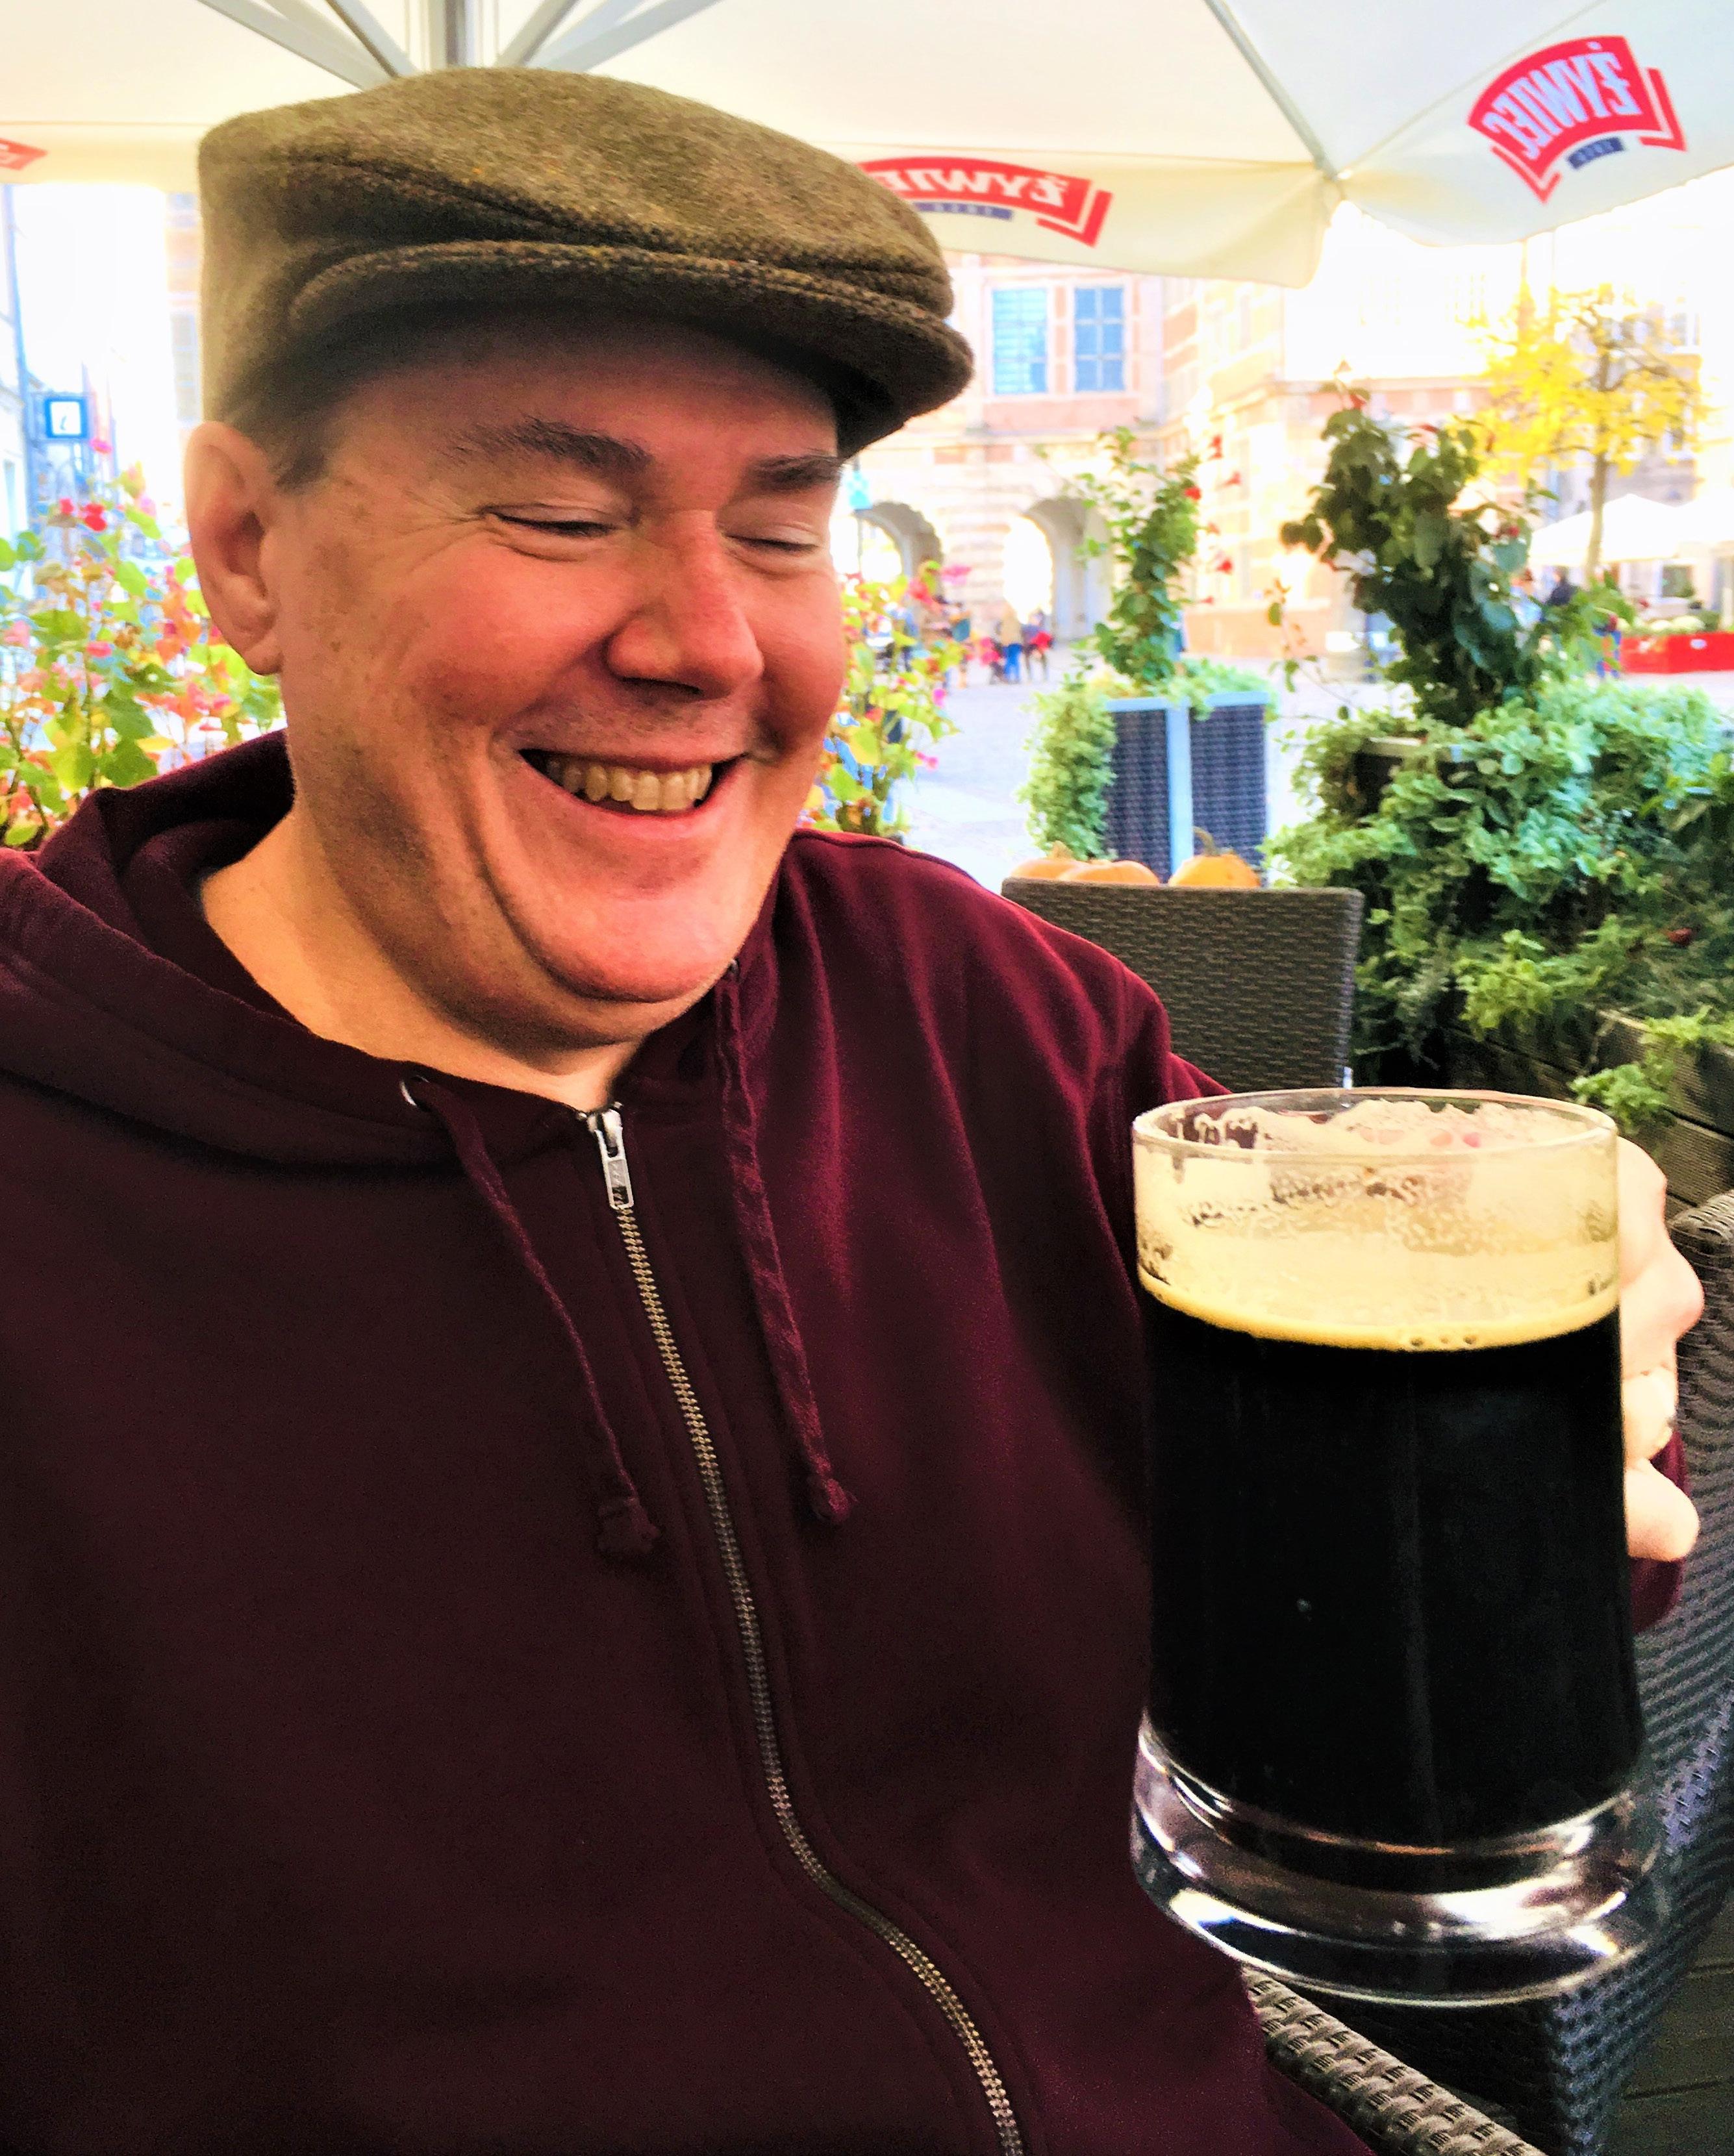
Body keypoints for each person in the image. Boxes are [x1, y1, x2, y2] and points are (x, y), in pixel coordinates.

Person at [0, 65, 1699, 2156]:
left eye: (782, 527)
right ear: (247, 546)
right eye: (558, 512)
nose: (707, 641)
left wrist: (1563, 1415)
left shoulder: (993, 1015)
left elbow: (1402, 1612)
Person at [996, 597, 1025, 683]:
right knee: (1015, 659)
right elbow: (1021, 630)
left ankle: (1008, 677)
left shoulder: (1003, 621)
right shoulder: (1016, 620)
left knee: (1008, 659)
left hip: (1007, 642)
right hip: (1016, 642)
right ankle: (1017, 677)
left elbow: (997, 630)